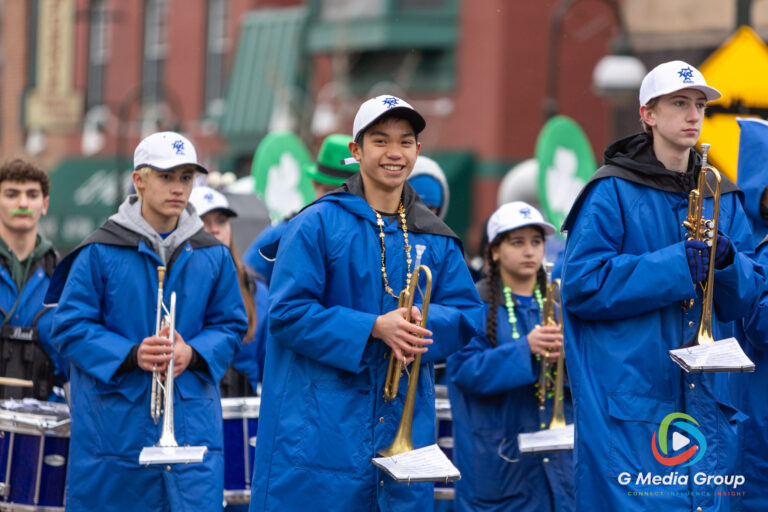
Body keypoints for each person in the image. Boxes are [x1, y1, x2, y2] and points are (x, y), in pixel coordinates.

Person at [249, 95, 484, 511]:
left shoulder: (437, 236)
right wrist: (373, 327)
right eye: (380, 140)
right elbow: (285, 313)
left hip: (402, 430)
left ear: (417, 150)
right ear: (356, 152)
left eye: (406, 141)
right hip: (323, 433)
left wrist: (421, 321)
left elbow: (467, 314)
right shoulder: (315, 223)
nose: (395, 153)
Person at [560, 61, 762, 511]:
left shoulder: (723, 197)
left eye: (699, 105)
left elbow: (745, 299)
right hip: (634, 402)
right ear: (647, 114)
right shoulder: (610, 191)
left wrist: (728, 263)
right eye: (679, 104)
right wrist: (675, 264)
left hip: (707, 402)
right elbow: (581, 286)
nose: (693, 115)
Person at [46, 131, 248, 512]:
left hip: (191, 434)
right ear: (139, 180)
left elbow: (232, 326)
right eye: (167, 176)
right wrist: (130, 353)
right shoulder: (99, 250)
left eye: (186, 177)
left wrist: (195, 351)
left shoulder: (213, 254)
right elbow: (69, 326)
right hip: (116, 437)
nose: (178, 188)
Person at [447, 201, 574, 512]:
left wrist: (567, 360)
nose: (529, 251)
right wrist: (525, 350)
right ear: (494, 251)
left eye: (536, 242)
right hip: (500, 465)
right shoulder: (471, 305)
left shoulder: (561, 306)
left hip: (558, 465)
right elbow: (463, 371)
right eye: (517, 243)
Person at [242, 133, 359, 285]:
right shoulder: (283, 232)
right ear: (314, 185)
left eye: (343, 194)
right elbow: (245, 282)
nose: (334, 201)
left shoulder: (373, 236)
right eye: (328, 191)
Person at [189, 185, 268, 395]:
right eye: (203, 221)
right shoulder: (177, 285)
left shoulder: (255, 289)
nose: (215, 229)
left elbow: (267, 363)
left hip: (243, 415)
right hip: (195, 403)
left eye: (221, 221)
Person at [0, 159, 65, 401]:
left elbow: (71, 365)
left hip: (42, 431)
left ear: (44, 204)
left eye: (32, 194)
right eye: (12, 194)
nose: (23, 203)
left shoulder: (64, 276)